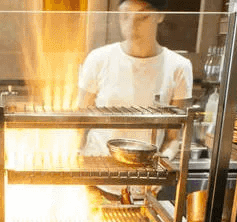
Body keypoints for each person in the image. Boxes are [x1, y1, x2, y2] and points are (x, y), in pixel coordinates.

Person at [77, 0, 193, 201]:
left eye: (142, 16)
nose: (132, 25)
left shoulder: (179, 67)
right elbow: (77, 123)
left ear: (160, 16)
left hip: (143, 188)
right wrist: (74, 160)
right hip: (96, 182)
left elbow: (173, 138)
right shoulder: (98, 59)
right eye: (125, 16)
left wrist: (159, 169)